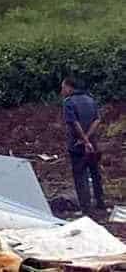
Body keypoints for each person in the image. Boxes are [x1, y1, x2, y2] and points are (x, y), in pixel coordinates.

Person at [60, 77, 105, 215]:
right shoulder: (90, 99)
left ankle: (86, 209)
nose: (62, 91)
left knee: (80, 175)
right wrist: (89, 139)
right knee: (95, 173)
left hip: (77, 144)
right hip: (93, 143)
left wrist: (84, 141)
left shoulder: (69, 102)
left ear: (69, 87)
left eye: (63, 88)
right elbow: (97, 119)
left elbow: (74, 123)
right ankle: (100, 203)